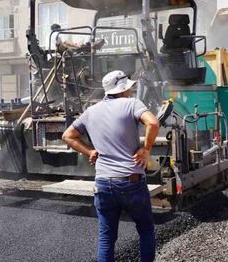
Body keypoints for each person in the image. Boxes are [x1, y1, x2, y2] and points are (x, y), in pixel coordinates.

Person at [62, 70, 160, 262]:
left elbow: (67, 136)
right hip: (131, 182)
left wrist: (90, 151)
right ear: (123, 89)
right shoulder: (132, 104)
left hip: (103, 184)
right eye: (129, 88)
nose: (131, 91)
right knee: (146, 230)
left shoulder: (91, 111)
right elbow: (153, 123)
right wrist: (146, 149)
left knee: (107, 237)